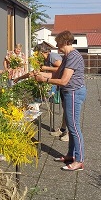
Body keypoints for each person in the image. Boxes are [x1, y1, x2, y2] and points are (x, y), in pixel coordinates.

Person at [34, 30, 86, 171]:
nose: (56, 44)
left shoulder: (73, 56)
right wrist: (39, 74)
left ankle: (80, 160)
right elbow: (56, 73)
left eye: (58, 42)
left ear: (65, 42)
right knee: (71, 125)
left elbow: (63, 81)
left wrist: (44, 79)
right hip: (70, 92)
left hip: (73, 92)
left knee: (74, 127)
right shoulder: (68, 56)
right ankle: (70, 155)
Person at [36, 44, 68, 141]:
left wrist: (46, 68)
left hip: (65, 84)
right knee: (65, 108)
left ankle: (69, 133)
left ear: (42, 52)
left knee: (68, 110)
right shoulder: (47, 58)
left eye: (37, 54)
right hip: (61, 85)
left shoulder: (53, 56)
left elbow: (61, 68)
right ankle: (62, 129)